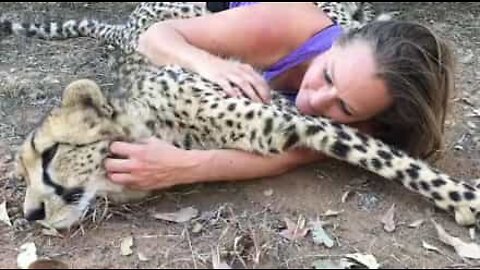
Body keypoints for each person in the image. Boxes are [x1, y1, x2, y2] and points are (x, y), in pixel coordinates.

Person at [103, 2, 454, 191]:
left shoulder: (371, 114)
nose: (317, 101)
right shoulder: (283, 26)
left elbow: (294, 156)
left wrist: (184, 168)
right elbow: (154, 37)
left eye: (343, 107)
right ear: (339, 42)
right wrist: (209, 65)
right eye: (327, 74)